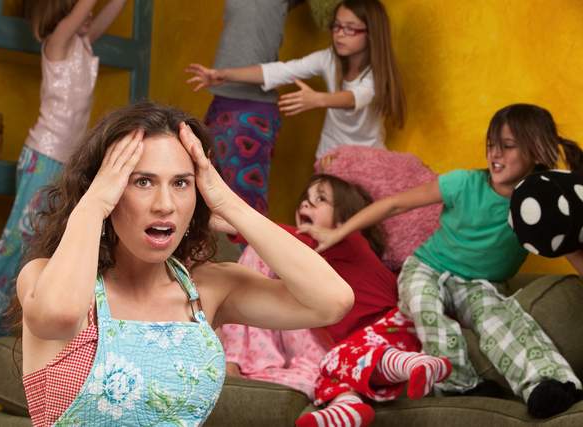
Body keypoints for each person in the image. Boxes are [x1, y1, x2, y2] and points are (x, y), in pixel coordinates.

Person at [13, 101, 354, 426]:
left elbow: (332, 301)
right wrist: (91, 205)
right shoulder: (44, 278)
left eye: (181, 183)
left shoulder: (207, 290)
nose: (165, 204)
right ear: (109, 190)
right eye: (142, 181)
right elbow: (58, 316)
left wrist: (228, 202)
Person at [300, 103, 583, 418]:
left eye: (507, 147)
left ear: (535, 151)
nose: (494, 155)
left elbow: (569, 244)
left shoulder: (539, 203)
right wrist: (337, 234)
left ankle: (549, 382)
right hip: (427, 268)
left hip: (480, 283)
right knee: (423, 303)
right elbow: (393, 205)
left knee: (500, 319)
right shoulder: (463, 183)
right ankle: (460, 384)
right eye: (491, 145)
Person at [216, 174, 451, 427]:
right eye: (304, 200)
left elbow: (284, 239)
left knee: (353, 357)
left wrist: (234, 225)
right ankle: (347, 407)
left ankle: (416, 364)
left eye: (320, 199)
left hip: (390, 327)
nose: (306, 205)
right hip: (354, 347)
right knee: (333, 365)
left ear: (344, 220)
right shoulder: (317, 266)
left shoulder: (351, 243)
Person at [0, 0, 126, 337]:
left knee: (49, 241)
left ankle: (22, 315)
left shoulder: (81, 41)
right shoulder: (57, 40)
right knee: (17, 239)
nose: (89, 13)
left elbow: (108, 10)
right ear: (61, 12)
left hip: (68, 162)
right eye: (80, 8)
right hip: (43, 158)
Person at [186, 0, 406, 161]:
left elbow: (354, 97)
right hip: (329, 157)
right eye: (336, 27)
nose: (339, 34)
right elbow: (280, 71)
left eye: (349, 29)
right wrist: (224, 75)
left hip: (367, 158)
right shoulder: (328, 58)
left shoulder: (375, 75)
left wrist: (318, 99)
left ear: (371, 34)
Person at [188, 0, 303, 215]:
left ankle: (250, 250)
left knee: (242, 202)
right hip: (222, 100)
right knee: (209, 194)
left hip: (251, 110)